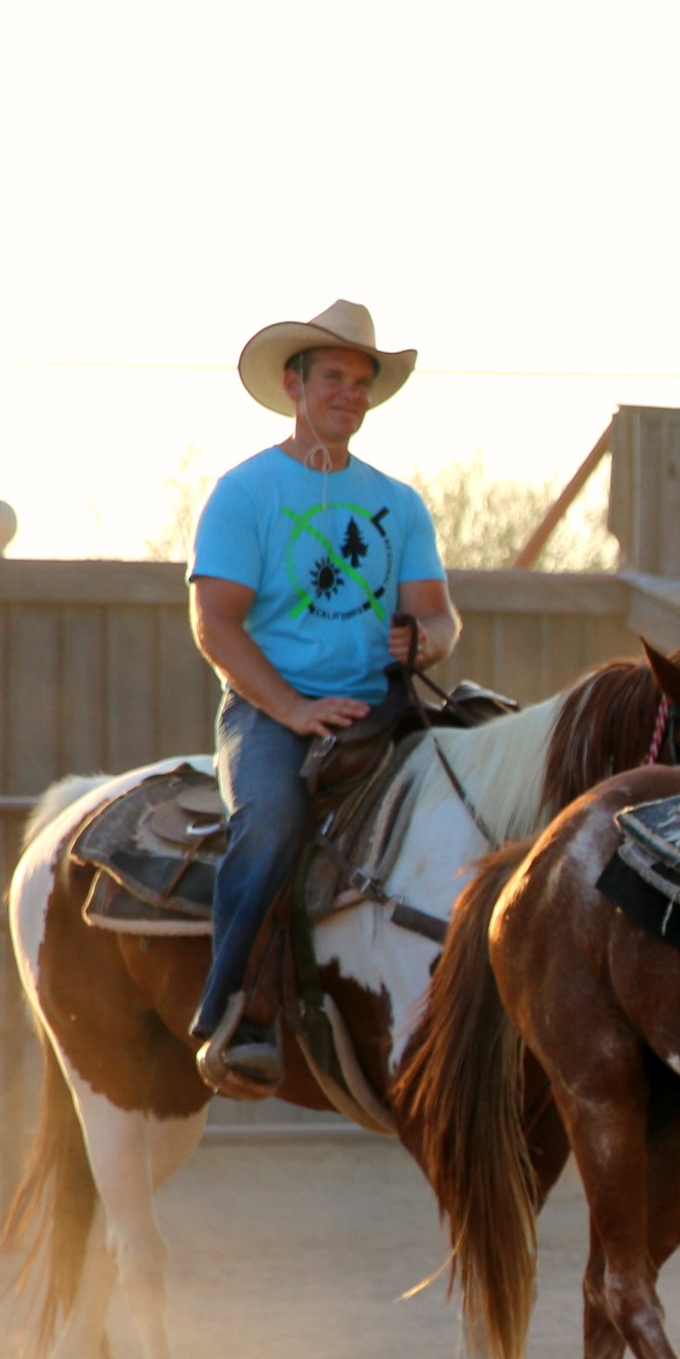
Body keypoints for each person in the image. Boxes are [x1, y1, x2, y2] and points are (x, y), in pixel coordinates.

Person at [184, 301, 457, 1091]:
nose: (351, 393)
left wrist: (430, 643)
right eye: (334, 376)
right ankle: (235, 1011)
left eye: (362, 382)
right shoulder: (246, 493)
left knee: (480, 795)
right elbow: (215, 624)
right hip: (272, 711)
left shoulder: (398, 503)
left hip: (383, 707)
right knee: (271, 820)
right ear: (293, 384)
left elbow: (439, 616)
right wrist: (294, 711)